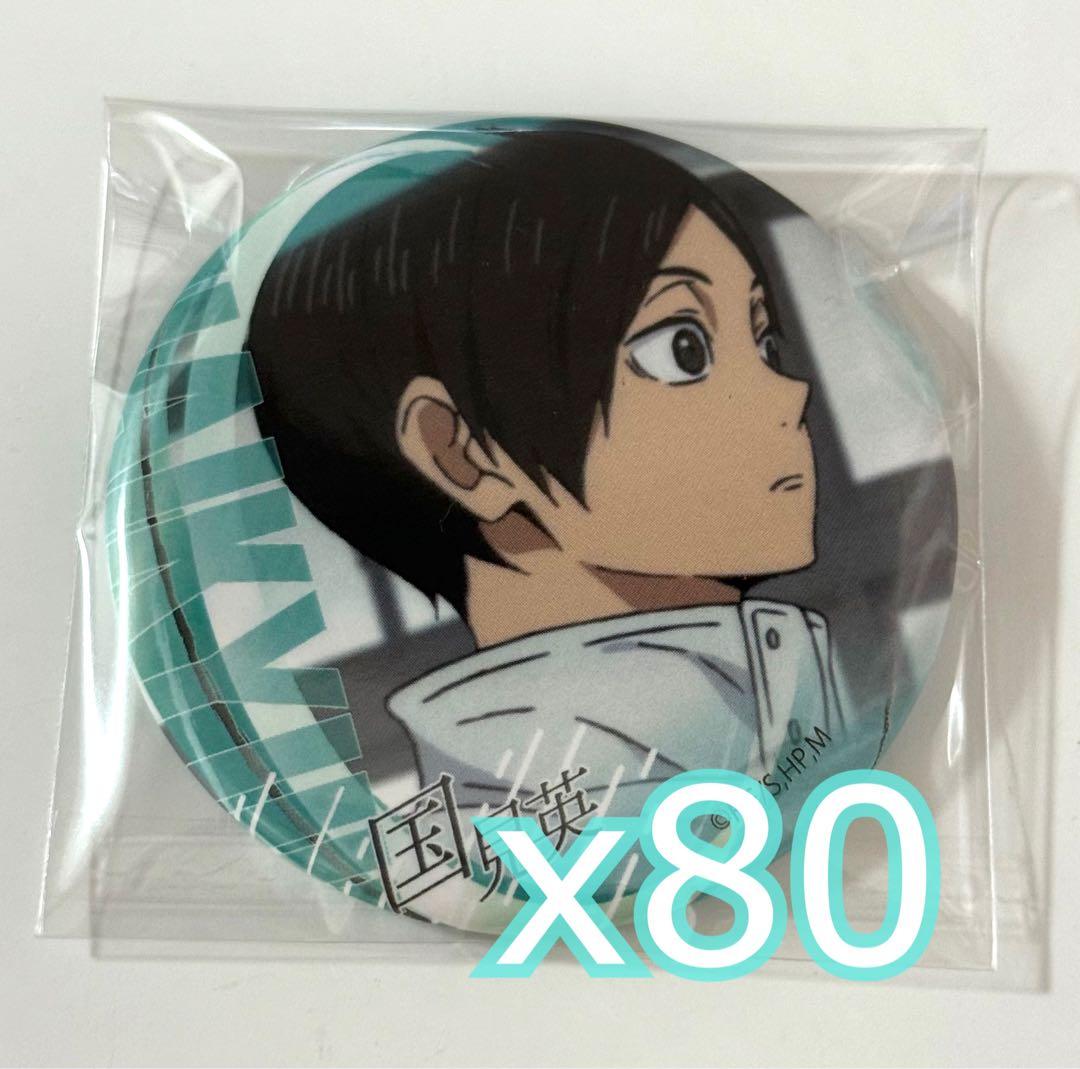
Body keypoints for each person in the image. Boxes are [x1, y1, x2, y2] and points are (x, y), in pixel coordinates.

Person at [246, 125, 845, 822]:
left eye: (764, 341)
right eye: (683, 349)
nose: (790, 391)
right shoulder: (550, 773)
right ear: (459, 452)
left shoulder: (727, 678)